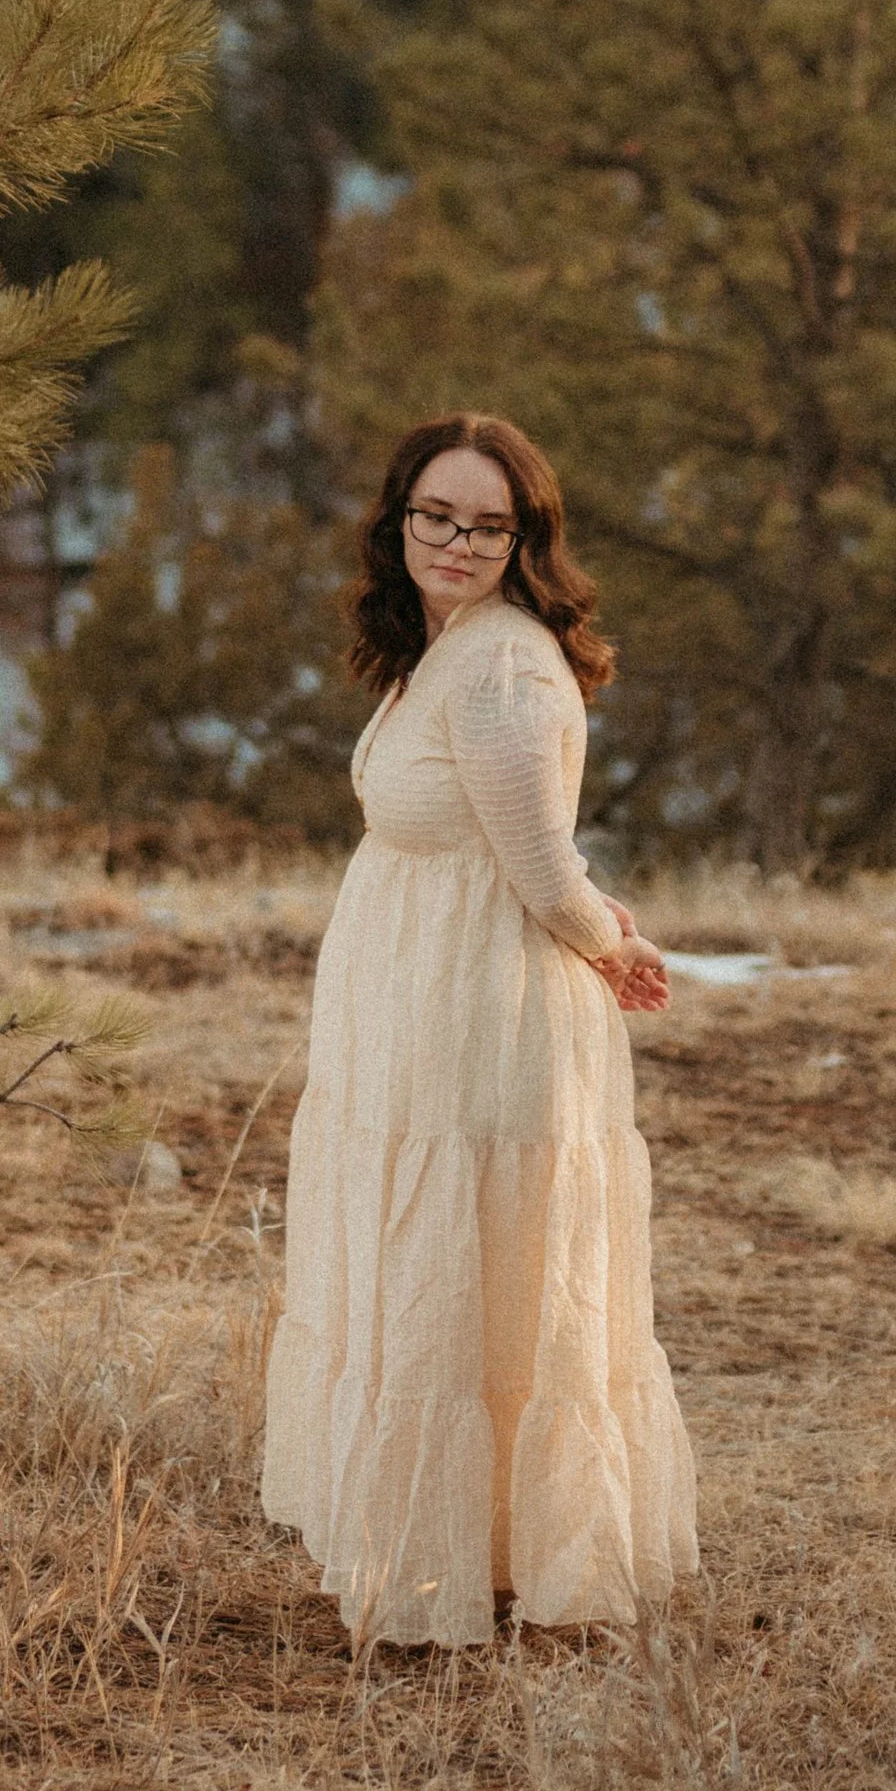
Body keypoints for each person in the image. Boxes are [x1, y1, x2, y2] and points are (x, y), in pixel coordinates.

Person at [261, 413, 698, 1649]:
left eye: (486, 525)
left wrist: (613, 945)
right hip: (423, 1003)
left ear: (524, 540)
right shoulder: (443, 649)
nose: (455, 542)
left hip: (485, 1014)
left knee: (475, 1271)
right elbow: (524, 849)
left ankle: (495, 1566)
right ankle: (468, 1550)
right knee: (453, 1277)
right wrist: (603, 917)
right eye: (434, 517)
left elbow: (541, 874)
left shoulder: (501, 668)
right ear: (398, 521)